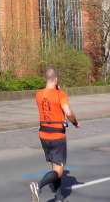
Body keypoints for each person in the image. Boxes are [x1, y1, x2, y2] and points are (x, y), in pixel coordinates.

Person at [30, 68, 80, 202]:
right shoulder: (60, 94)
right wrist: (75, 123)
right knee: (59, 170)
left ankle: (58, 197)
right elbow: (68, 113)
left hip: (43, 134)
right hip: (57, 135)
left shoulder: (38, 94)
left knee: (55, 165)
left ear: (44, 79)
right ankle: (38, 185)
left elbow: (48, 101)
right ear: (56, 79)